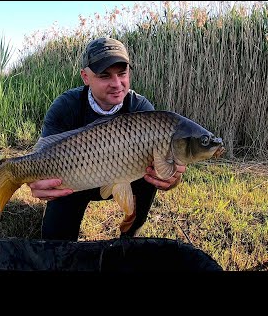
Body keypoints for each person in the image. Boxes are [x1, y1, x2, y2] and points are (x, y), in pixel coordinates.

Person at [28, 37, 186, 241]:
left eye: (122, 73)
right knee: (55, 242)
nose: (117, 84)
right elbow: (43, 156)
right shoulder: (66, 106)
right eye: (104, 76)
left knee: (148, 171)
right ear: (85, 77)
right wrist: (34, 180)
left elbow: (166, 168)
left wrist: (172, 178)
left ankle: (130, 234)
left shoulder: (141, 109)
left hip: (124, 177)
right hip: (74, 182)